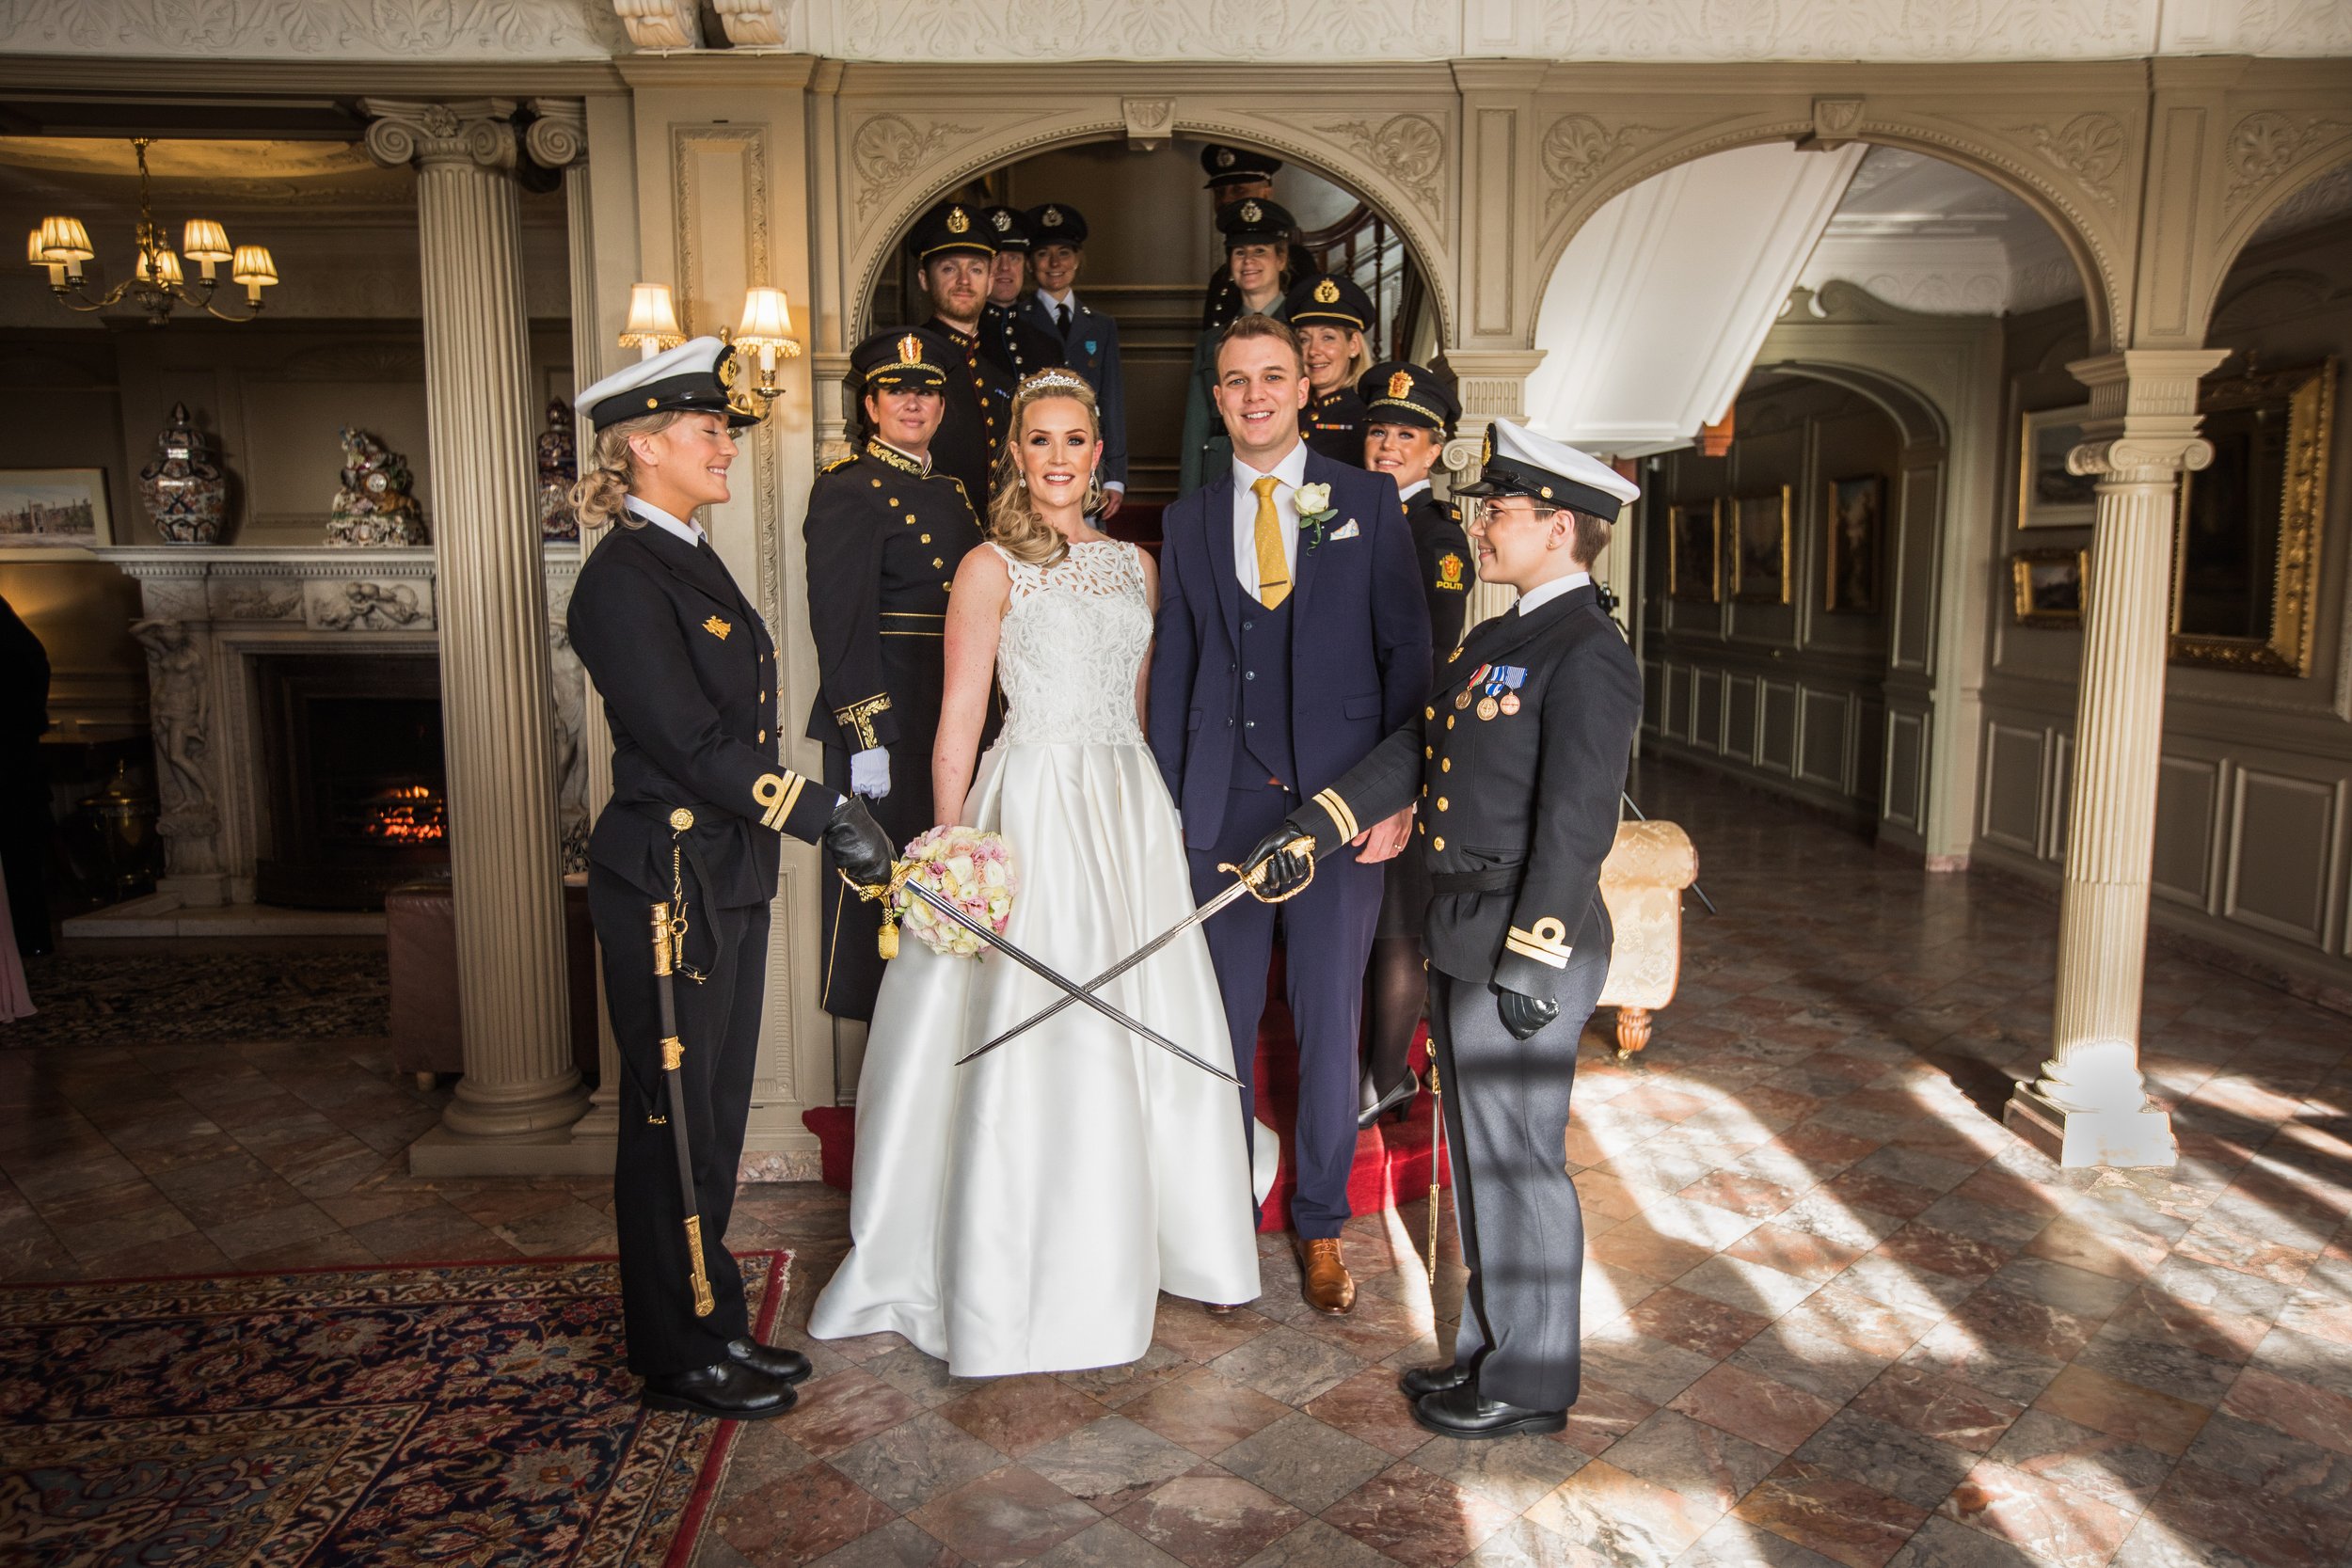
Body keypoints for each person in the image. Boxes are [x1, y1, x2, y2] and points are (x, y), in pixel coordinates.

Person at [810, 370, 1260, 1375]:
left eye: (1074, 440)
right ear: (1015, 454)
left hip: (1124, 803)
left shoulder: (1139, 567)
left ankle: (1166, 1233)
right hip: (1030, 803)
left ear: (1098, 455)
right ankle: (1018, 1248)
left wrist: (1161, 811)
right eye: (1040, 441)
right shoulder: (985, 566)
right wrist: (951, 847)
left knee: (1142, 1010)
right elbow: (960, 719)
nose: (1057, 457)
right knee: (1035, 1021)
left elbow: (1142, 707)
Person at [1236, 419, 1642, 1439]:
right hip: (1468, 926)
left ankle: (1533, 1381)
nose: (1480, 523)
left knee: (1518, 1164)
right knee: (1484, 1157)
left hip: (1522, 936)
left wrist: (1537, 947)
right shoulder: (1501, 636)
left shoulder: (1586, 649)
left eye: (1499, 509)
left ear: (1557, 526)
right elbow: (1416, 748)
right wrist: (1312, 829)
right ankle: (1491, 1358)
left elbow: (1579, 819)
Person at [566, 337, 898, 1421]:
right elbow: (687, 740)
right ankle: (675, 1348)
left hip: (721, 870)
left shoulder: (681, 554)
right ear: (644, 445)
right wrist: (823, 810)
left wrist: (802, 818)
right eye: (706, 430)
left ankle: (711, 1322)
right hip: (668, 881)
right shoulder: (620, 578)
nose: (724, 444)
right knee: (670, 1120)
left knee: (708, 1116)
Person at [1149, 313, 1430, 1317]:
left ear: (1304, 388)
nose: (1255, 394)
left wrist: (1392, 794)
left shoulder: (1364, 498)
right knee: (1214, 1027)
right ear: (1216, 396)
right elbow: (1174, 672)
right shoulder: (1186, 521)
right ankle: (1222, 1213)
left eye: (1273, 376)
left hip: (1341, 808)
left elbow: (1408, 653)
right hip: (1221, 808)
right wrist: (1176, 807)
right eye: (1235, 380)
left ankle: (1318, 1222)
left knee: (1327, 1019)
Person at [803, 328, 989, 1023]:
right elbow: (841, 619)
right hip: (890, 721)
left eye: (926, 392)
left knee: (948, 882)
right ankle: (886, 1065)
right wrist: (865, 732)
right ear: (871, 405)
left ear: (940, 408)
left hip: (950, 707)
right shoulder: (847, 490)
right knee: (887, 897)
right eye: (897, 391)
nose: (913, 403)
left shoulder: (951, 491)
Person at [1355, 360, 1471, 1126]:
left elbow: (1430, 662)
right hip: (1341, 744)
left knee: (1397, 925)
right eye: (1379, 431)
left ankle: (1384, 1077)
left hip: (1399, 747)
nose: (1388, 445)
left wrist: (1402, 777)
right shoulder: (1341, 512)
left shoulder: (1439, 535)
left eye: (1408, 434)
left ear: (1435, 451)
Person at [1177, 197, 1295, 497]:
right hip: (1221, 467)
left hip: (1286, 465)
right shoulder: (1211, 340)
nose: (1249, 262)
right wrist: (1187, 503)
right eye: (1240, 252)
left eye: (1260, 251)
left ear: (1280, 259)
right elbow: (1195, 429)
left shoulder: (1301, 335)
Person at [1021, 201, 1127, 516]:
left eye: (1064, 253)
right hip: (1039, 463)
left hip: (1088, 462)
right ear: (1030, 263)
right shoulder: (1015, 320)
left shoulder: (1101, 324)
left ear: (1078, 259)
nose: (1055, 263)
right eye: (1043, 254)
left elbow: (1112, 401)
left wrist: (1116, 477)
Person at [909, 199, 1015, 508]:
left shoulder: (999, 375)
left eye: (976, 269)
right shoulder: (907, 364)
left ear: (990, 282)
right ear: (924, 279)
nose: (964, 281)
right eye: (949, 268)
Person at [0, 594, 52, 960]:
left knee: (19, 855)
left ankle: (29, 939)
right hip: (15, 758)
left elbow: (34, 665)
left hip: (11, 763)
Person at [1286, 273, 1375, 467]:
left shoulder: (1369, 414)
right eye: (1304, 339)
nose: (1313, 351)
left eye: (1328, 337)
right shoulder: (1287, 408)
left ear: (1353, 346)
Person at [1197, 144, 1283, 334]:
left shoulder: (1296, 265)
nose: (1226, 200)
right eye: (1220, 193)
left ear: (1266, 194)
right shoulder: (1221, 276)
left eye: (1238, 190)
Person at [976, 204, 1065, 383]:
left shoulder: (1049, 345)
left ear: (1026, 265)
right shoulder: (964, 341)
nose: (1005, 268)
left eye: (1014, 258)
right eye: (996, 258)